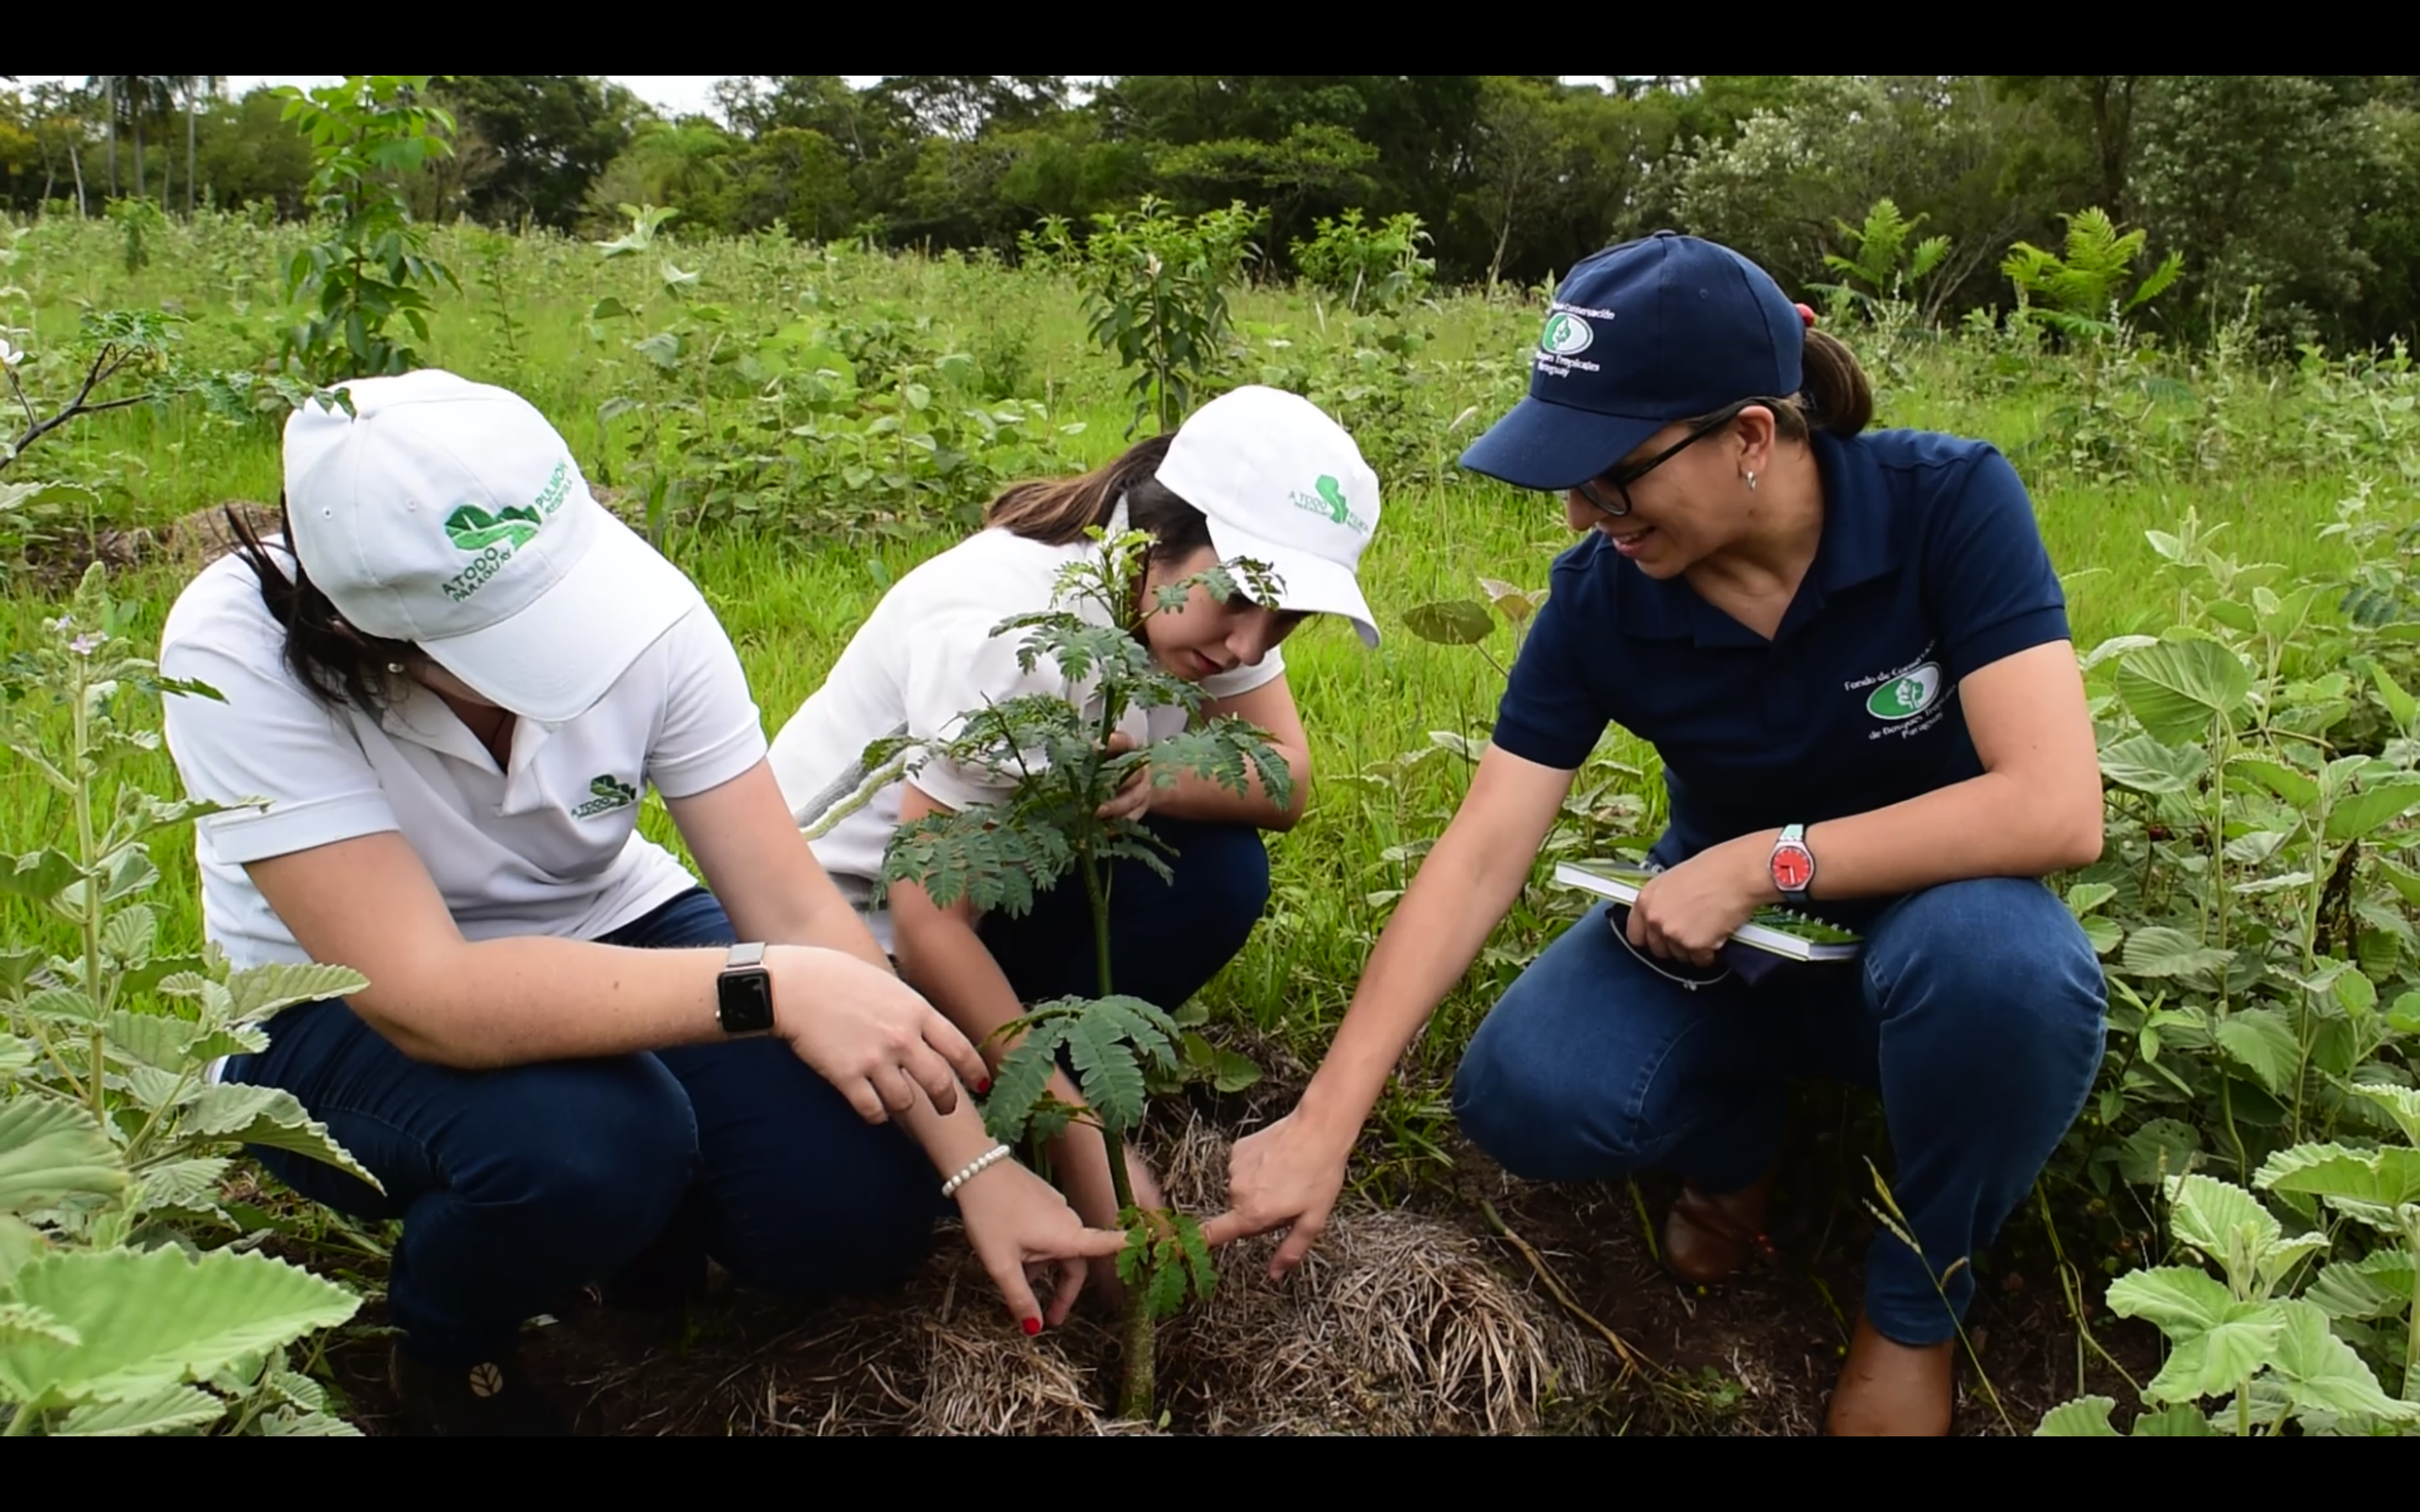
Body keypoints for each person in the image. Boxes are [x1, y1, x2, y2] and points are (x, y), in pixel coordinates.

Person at [1201, 232, 2108, 1436]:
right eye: (1566, 479)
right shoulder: (1602, 599)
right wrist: (1325, 1119)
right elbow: (1482, 851)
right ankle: (1741, 1144)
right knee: (1526, 1094)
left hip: (1938, 912)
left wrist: (1762, 858)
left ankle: (1915, 1303)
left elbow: (2053, 805)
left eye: (1616, 474)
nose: (1585, 513)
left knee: (2009, 975)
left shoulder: (1944, 503)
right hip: (1729, 940)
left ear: (1748, 436)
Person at [159, 369, 1128, 1437]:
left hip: (606, 921)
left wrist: (976, 1161)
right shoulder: (235, 650)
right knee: (591, 1149)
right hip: (332, 999)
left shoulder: (639, 601)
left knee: (850, 1213)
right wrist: (769, 991)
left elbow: (798, 912)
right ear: (373, 637)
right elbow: (424, 996)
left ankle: (631, 1256)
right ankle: (445, 1345)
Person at [768, 384, 1383, 1247]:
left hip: (1001, 899)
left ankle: (1026, 1085)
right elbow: (929, 919)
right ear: (1164, 532)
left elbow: (1287, 779)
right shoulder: (1019, 630)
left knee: (1219, 870)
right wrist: (1105, 1174)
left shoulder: (1193, 604)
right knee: (858, 1215)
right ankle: (1023, 1111)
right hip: (847, 930)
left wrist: (1154, 777)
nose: (1249, 646)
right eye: (1244, 599)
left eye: (1287, 622)